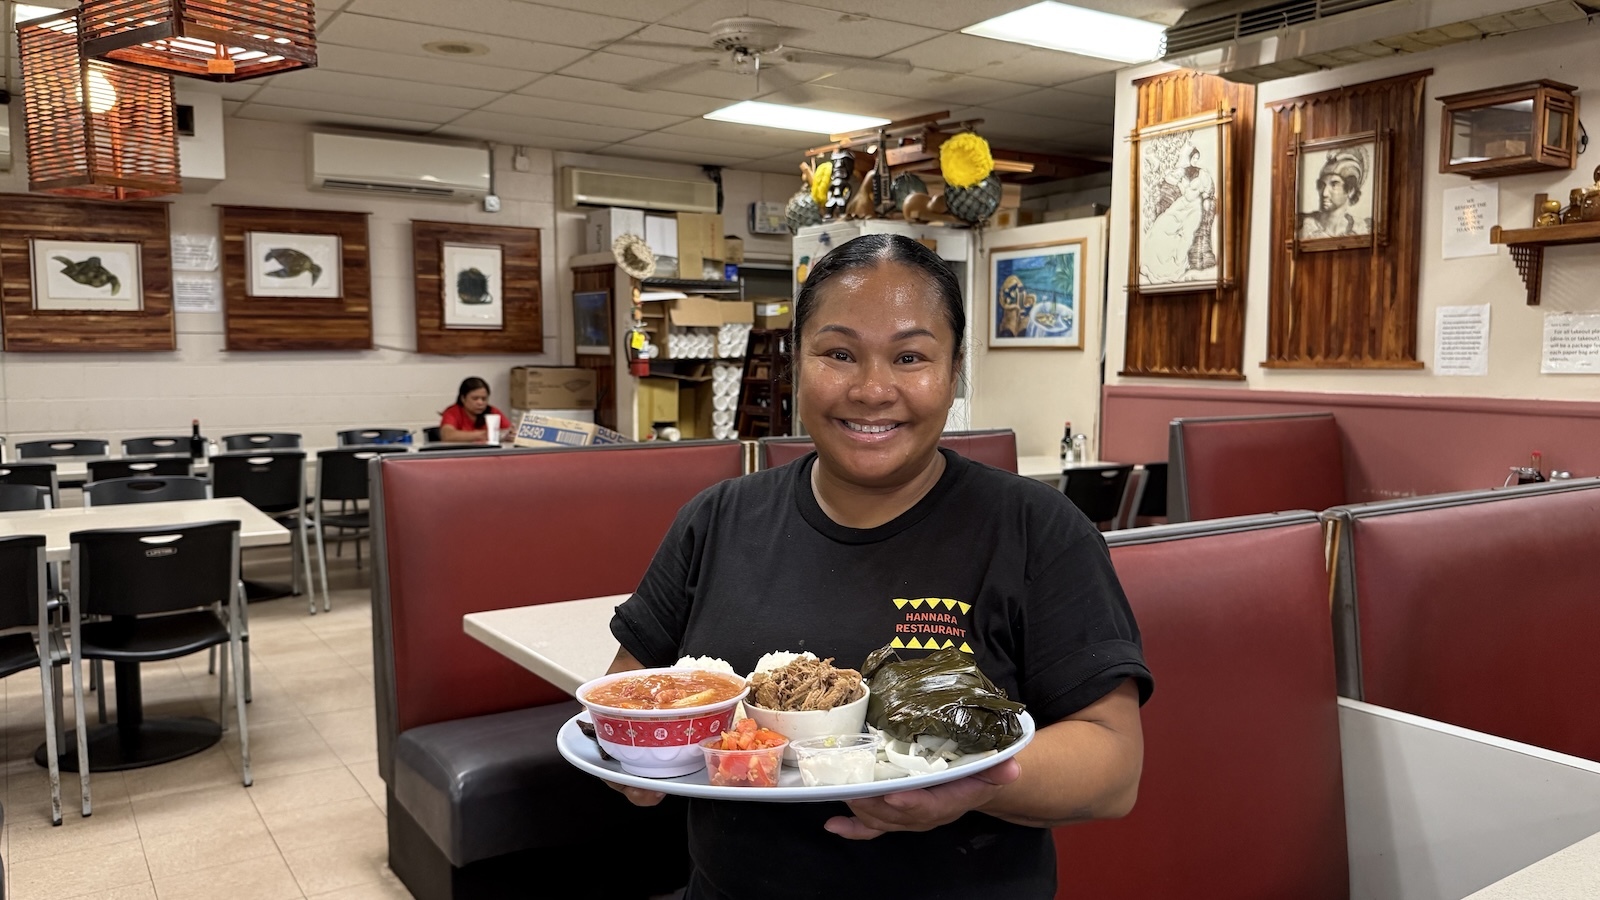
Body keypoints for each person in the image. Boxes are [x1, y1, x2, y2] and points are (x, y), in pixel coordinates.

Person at [604, 233, 1153, 900]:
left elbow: (1114, 764)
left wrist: (967, 785)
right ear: (796, 366)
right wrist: (636, 758)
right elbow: (630, 691)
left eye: (910, 356)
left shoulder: (1037, 530)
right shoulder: (717, 519)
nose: (871, 389)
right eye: (838, 353)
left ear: (953, 374)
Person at [1140, 143, 1216, 284]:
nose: (1195, 160)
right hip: (1180, 204)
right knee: (1160, 226)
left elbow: (1208, 191)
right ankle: (1153, 265)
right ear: (1190, 157)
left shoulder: (1203, 174)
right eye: (1193, 157)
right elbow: (1168, 179)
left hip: (1194, 208)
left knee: (1186, 235)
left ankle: (1176, 265)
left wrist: (1206, 200)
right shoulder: (1183, 171)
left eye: (1197, 158)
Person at [1299, 147, 1372, 240]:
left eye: (1334, 184)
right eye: (1322, 185)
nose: (1324, 193)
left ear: (1350, 190)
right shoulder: (1303, 226)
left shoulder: (1363, 229)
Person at [437, 376, 513, 443]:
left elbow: (510, 431)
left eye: (484, 399)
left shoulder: (493, 411)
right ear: (463, 398)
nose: (480, 402)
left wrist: (511, 435)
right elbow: (448, 436)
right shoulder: (452, 412)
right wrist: (484, 435)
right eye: (475, 398)